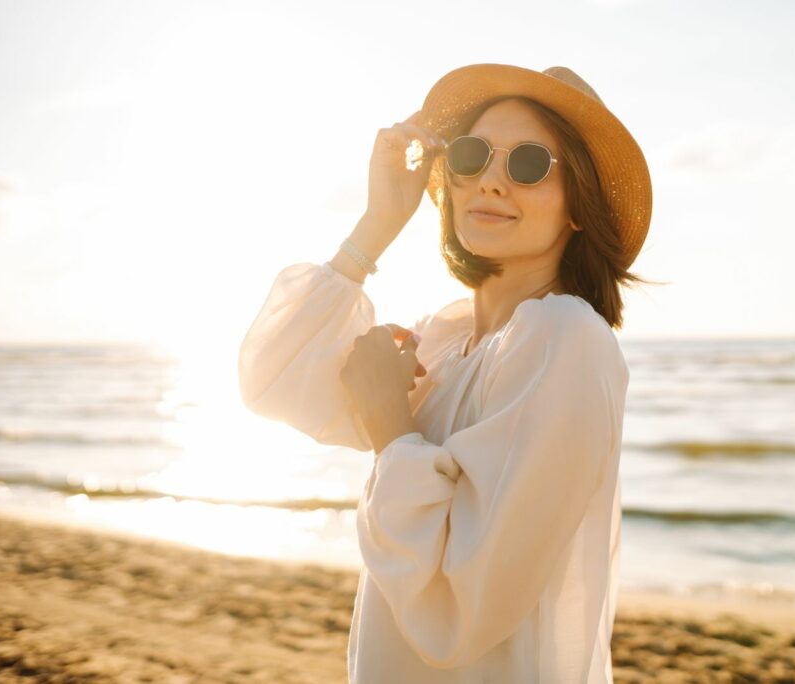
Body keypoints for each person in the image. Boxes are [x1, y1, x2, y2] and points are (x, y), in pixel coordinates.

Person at [238, 64, 653, 683]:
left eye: (529, 164)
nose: (490, 180)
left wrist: (390, 423)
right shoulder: (452, 336)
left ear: (578, 206)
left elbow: (459, 608)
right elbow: (270, 379)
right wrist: (378, 224)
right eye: (471, 154)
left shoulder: (564, 339)